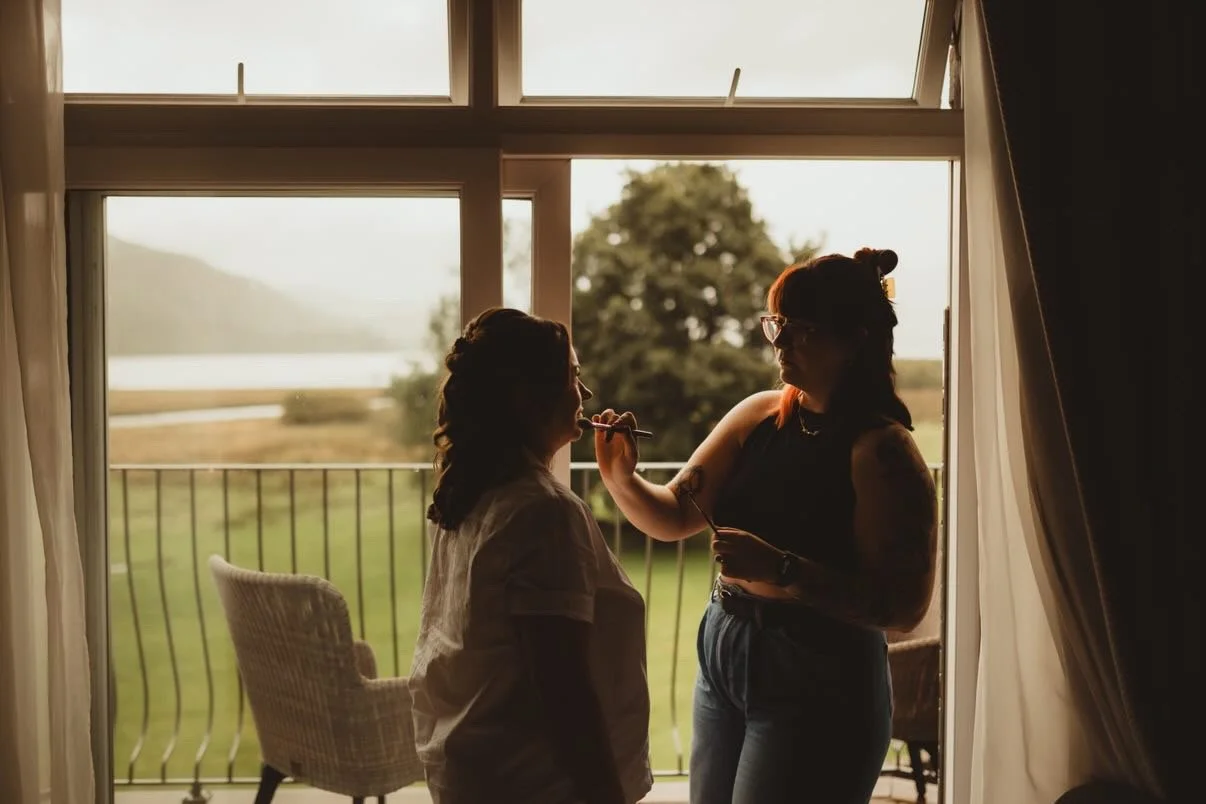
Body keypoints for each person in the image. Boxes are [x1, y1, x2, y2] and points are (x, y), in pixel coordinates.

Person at [593, 249, 938, 804]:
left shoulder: (884, 453)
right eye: (777, 325)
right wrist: (619, 477)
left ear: (854, 340)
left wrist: (781, 569)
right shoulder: (758, 414)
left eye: (800, 330)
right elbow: (674, 515)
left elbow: (903, 607)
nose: (779, 344)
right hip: (725, 646)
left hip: (817, 671)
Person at [408, 307, 653, 804]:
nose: (584, 394)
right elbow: (564, 690)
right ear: (527, 397)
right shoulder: (544, 513)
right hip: (535, 781)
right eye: (573, 376)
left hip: (475, 769)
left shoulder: (470, 493)